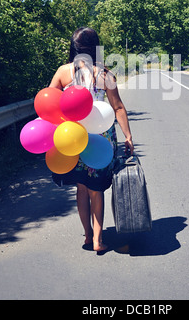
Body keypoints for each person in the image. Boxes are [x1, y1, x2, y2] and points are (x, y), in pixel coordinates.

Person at [49, 27, 134, 253]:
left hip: (73, 137)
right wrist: (128, 136)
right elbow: (118, 107)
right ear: (96, 49)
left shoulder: (63, 72)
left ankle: (87, 235)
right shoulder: (105, 74)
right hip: (100, 139)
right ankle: (98, 239)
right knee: (96, 190)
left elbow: (50, 102)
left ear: (73, 48)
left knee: (81, 188)